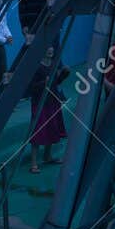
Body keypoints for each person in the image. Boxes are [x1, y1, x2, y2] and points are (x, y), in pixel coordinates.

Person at [27, 46, 68, 174]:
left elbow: (55, 83)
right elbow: (30, 88)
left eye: (52, 47)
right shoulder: (37, 67)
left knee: (52, 127)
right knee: (38, 131)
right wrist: (43, 84)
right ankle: (33, 162)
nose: (50, 50)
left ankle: (47, 155)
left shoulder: (54, 65)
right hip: (40, 103)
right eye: (48, 47)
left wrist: (64, 75)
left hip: (53, 101)